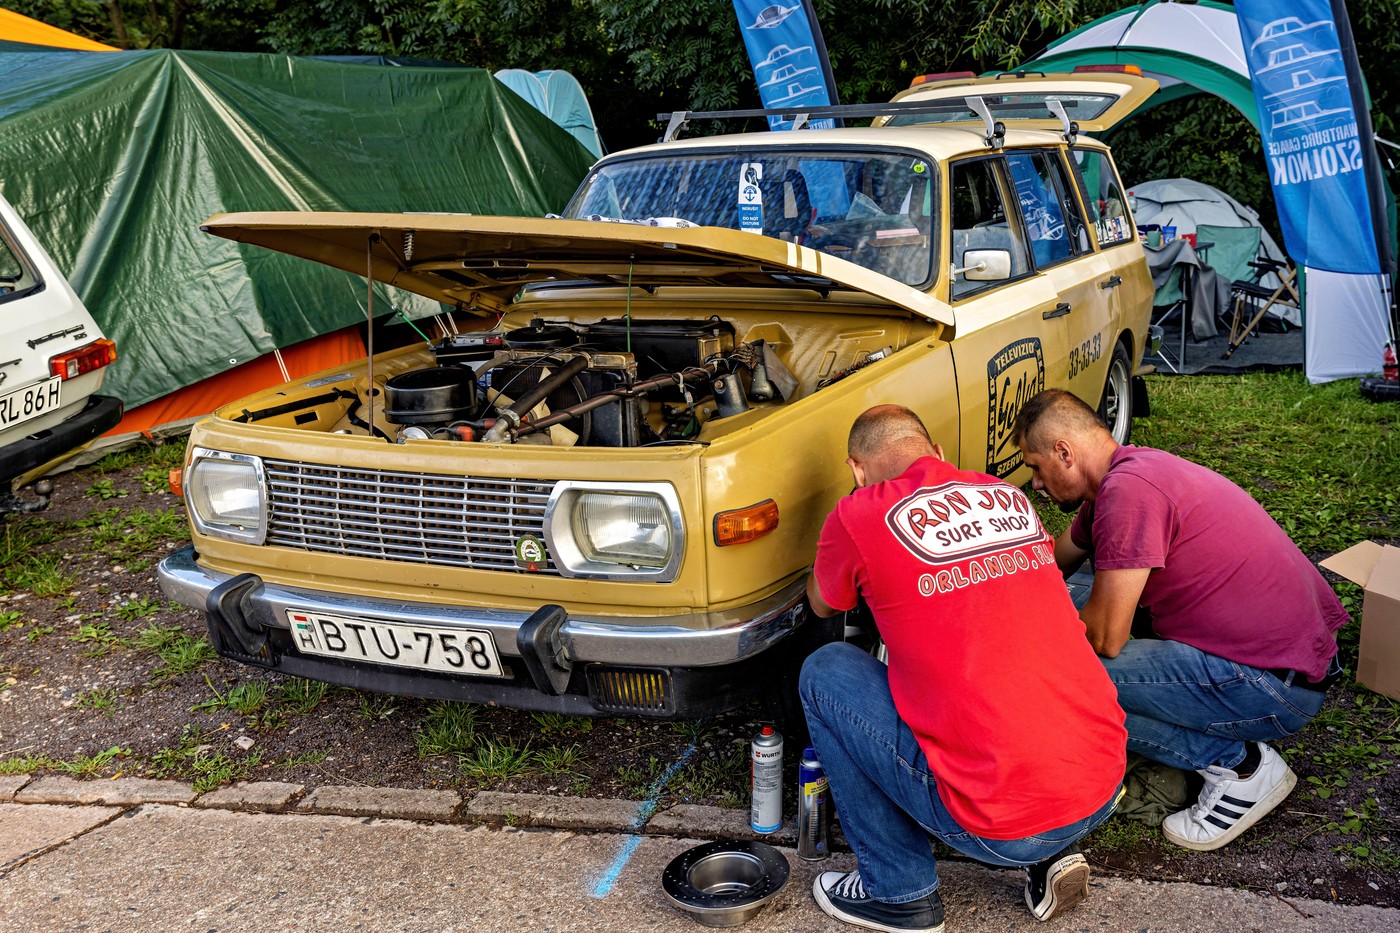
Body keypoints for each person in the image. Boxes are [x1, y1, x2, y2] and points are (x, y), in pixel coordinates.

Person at [801, 404, 1127, 932]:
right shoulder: (1008, 496)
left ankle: (898, 891)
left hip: (1004, 826)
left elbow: (823, 602)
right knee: (1008, 653)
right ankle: (1049, 852)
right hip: (1103, 784)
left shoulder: (857, 513)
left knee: (826, 671)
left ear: (857, 471)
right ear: (938, 454)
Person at [1011, 389, 1348, 852]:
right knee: (1077, 596)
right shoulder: (1130, 473)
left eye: (1035, 466)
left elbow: (1105, 638)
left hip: (1274, 687)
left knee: (1056, 682)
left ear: (1064, 453)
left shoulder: (1128, 495)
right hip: (1285, 660)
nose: (1035, 483)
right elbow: (1052, 568)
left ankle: (1240, 768)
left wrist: (1019, 646)